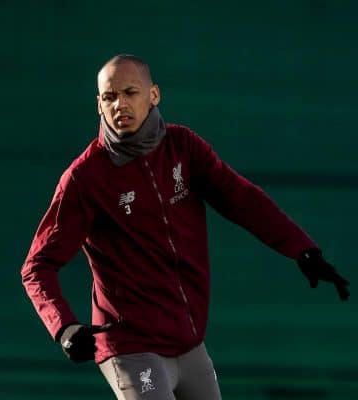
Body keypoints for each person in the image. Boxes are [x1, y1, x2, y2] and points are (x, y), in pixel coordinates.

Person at [20, 54, 350, 400]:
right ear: (98, 104)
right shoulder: (85, 179)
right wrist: (65, 327)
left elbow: (243, 200)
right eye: (109, 96)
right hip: (132, 348)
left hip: (189, 343)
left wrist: (302, 249)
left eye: (130, 92)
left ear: (154, 95)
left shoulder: (184, 148)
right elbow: (37, 266)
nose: (119, 104)